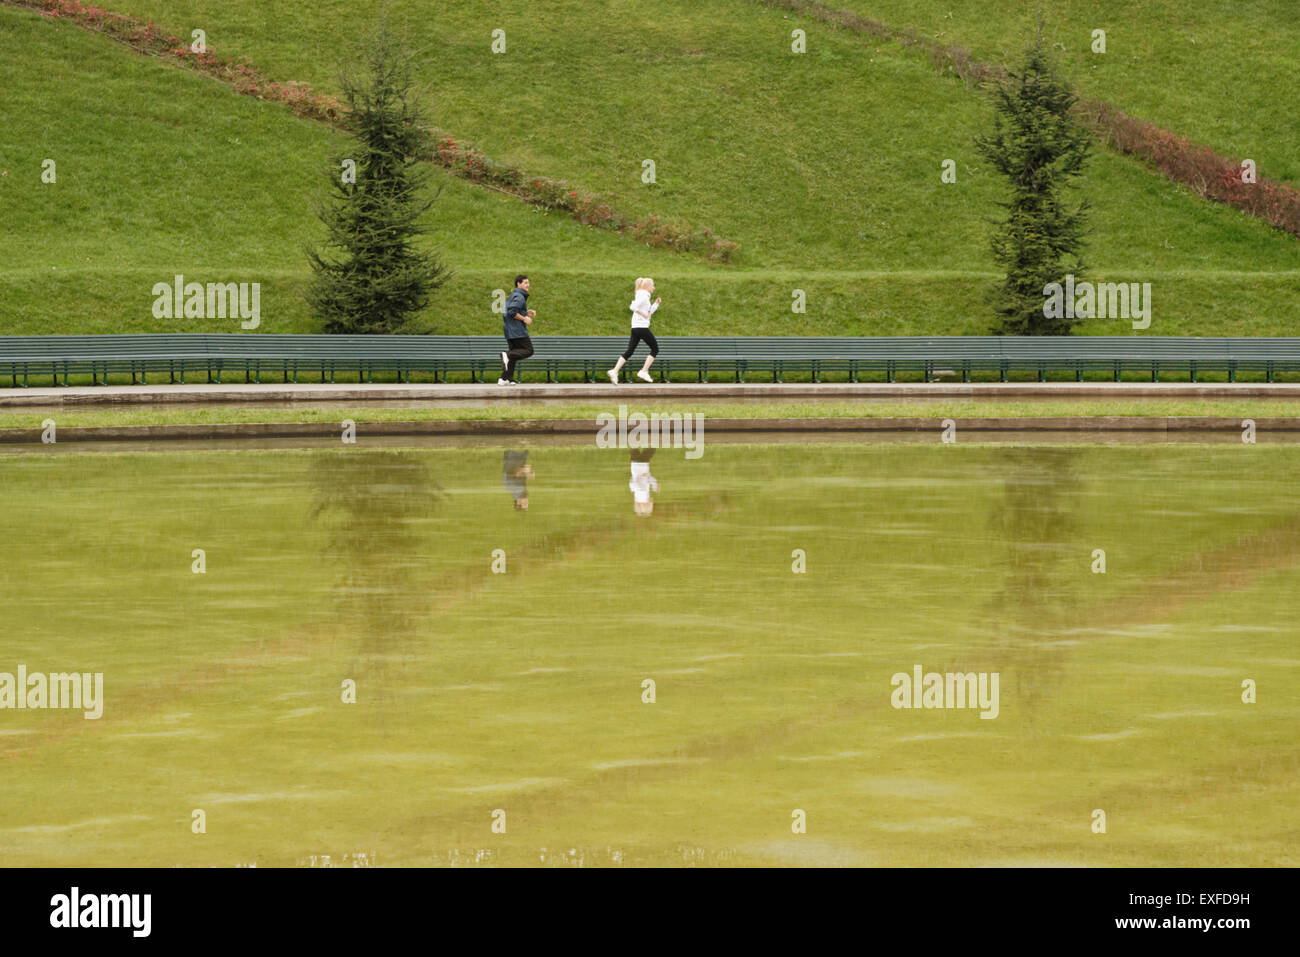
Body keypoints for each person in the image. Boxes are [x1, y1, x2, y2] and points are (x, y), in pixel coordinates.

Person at [608, 277, 661, 384]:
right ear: (647, 286)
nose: (654, 288)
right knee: (655, 349)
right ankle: (644, 371)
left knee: (630, 350)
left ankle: (614, 371)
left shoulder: (643, 296)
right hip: (641, 327)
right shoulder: (643, 296)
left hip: (635, 327)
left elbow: (648, 313)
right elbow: (632, 307)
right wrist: (643, 314)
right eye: (652, 286)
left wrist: (656, 304)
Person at [500, 274, 536, 385]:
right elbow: (512, 312)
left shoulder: (513, 295)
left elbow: (509, 311)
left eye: (528, 282)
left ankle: (505, 379)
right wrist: (524, 318)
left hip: (510, 331)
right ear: (518, 284)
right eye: (525, 283)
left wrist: (526, 312)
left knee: (515, 356)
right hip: (517, 331)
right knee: (529, 350)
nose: (528, 285)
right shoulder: (520, 297)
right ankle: (507, 354)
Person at [628, 447, 658, 516]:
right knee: (633, 448)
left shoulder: (643, 495)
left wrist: (643, 476)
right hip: (636, 464)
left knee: (652, 448)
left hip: (641, 464)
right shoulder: (640, 494)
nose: (653, 501)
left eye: (652, 503)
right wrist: (654, 485)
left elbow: (637, 483)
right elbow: (633, 482)